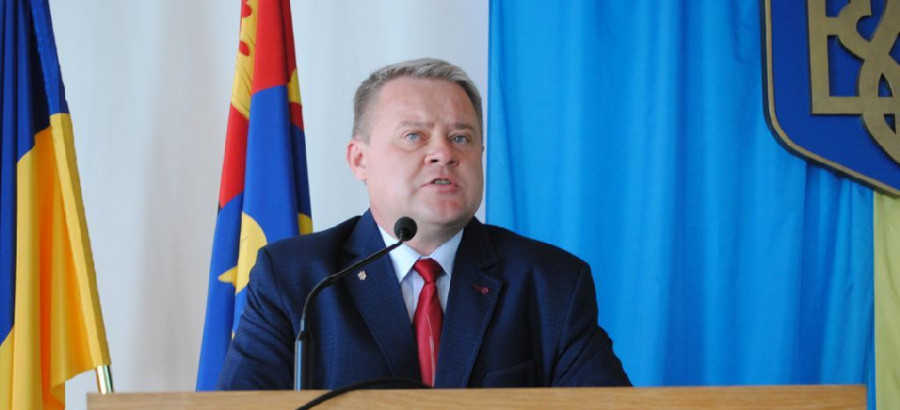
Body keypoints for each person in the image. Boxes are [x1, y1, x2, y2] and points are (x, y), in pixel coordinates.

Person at [217, 58, 630, 390]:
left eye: (461, 138)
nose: (443, 154)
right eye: (414, 136)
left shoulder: (550, 283)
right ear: (359, 159)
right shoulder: (297, 280)